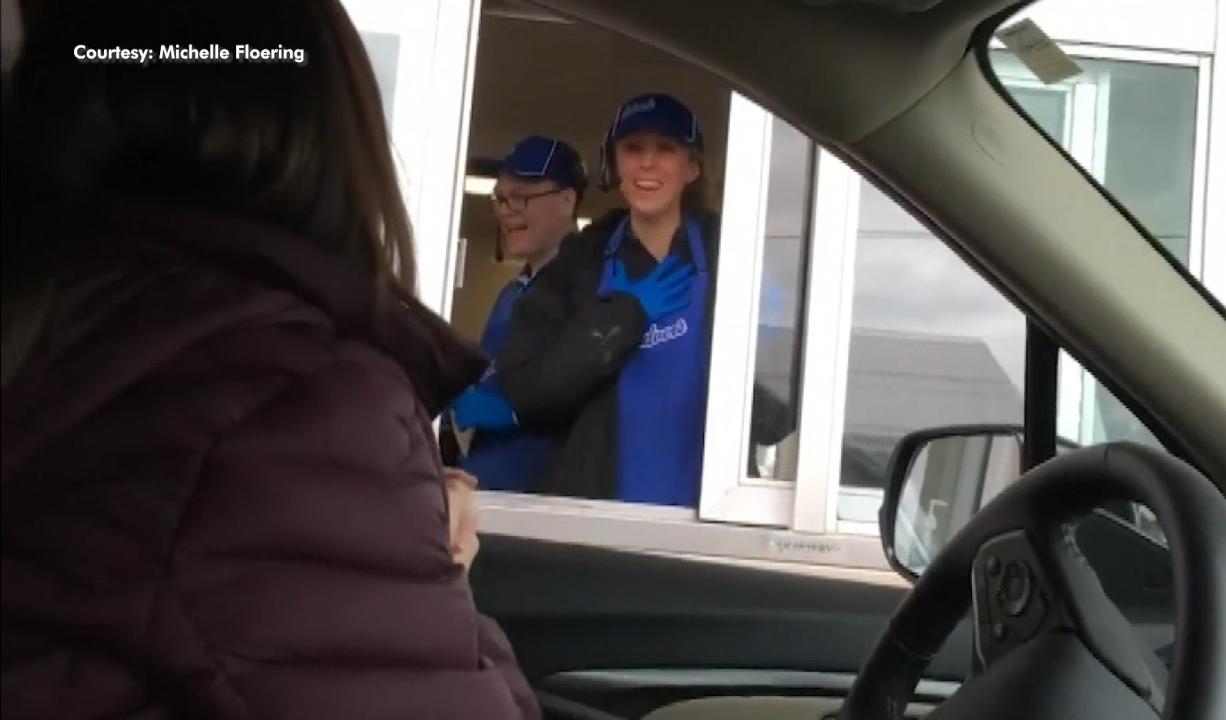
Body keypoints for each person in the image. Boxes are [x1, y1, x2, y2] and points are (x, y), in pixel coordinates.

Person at [0, 1, 537, 718]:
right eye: (504, 194)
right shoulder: (292, 407)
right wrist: (449, 580)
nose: (511, 208)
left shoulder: (54, 331)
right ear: (330, 133)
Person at [494, 93, 723, 506]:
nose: (647, 163)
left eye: (666, 149)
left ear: (691, 167)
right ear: (614, 163)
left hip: (705, 522)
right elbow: (527, 397)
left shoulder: (731, 255)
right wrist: (620, 318)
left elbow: (777, 410)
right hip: (595, 521)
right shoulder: (578, 264)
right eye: (633, 148)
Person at [449, 136, 587, 492]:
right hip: (485, 492)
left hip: (540, 507)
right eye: (500, 198)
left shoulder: (594, 287)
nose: (505, 209)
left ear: (567, 200)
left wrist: (512, 411)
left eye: (521, 197)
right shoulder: (512, 292)